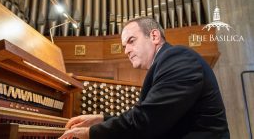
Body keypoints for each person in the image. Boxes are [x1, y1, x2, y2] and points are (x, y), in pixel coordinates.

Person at [59, 17, 230, 139]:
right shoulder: (166, 62)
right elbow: (153, 117)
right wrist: (101, 119)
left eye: (131, 41)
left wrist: (91, 133)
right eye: (124, 46)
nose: (126, 51)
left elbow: (147, 121)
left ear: (154, 36)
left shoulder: (178, 58)